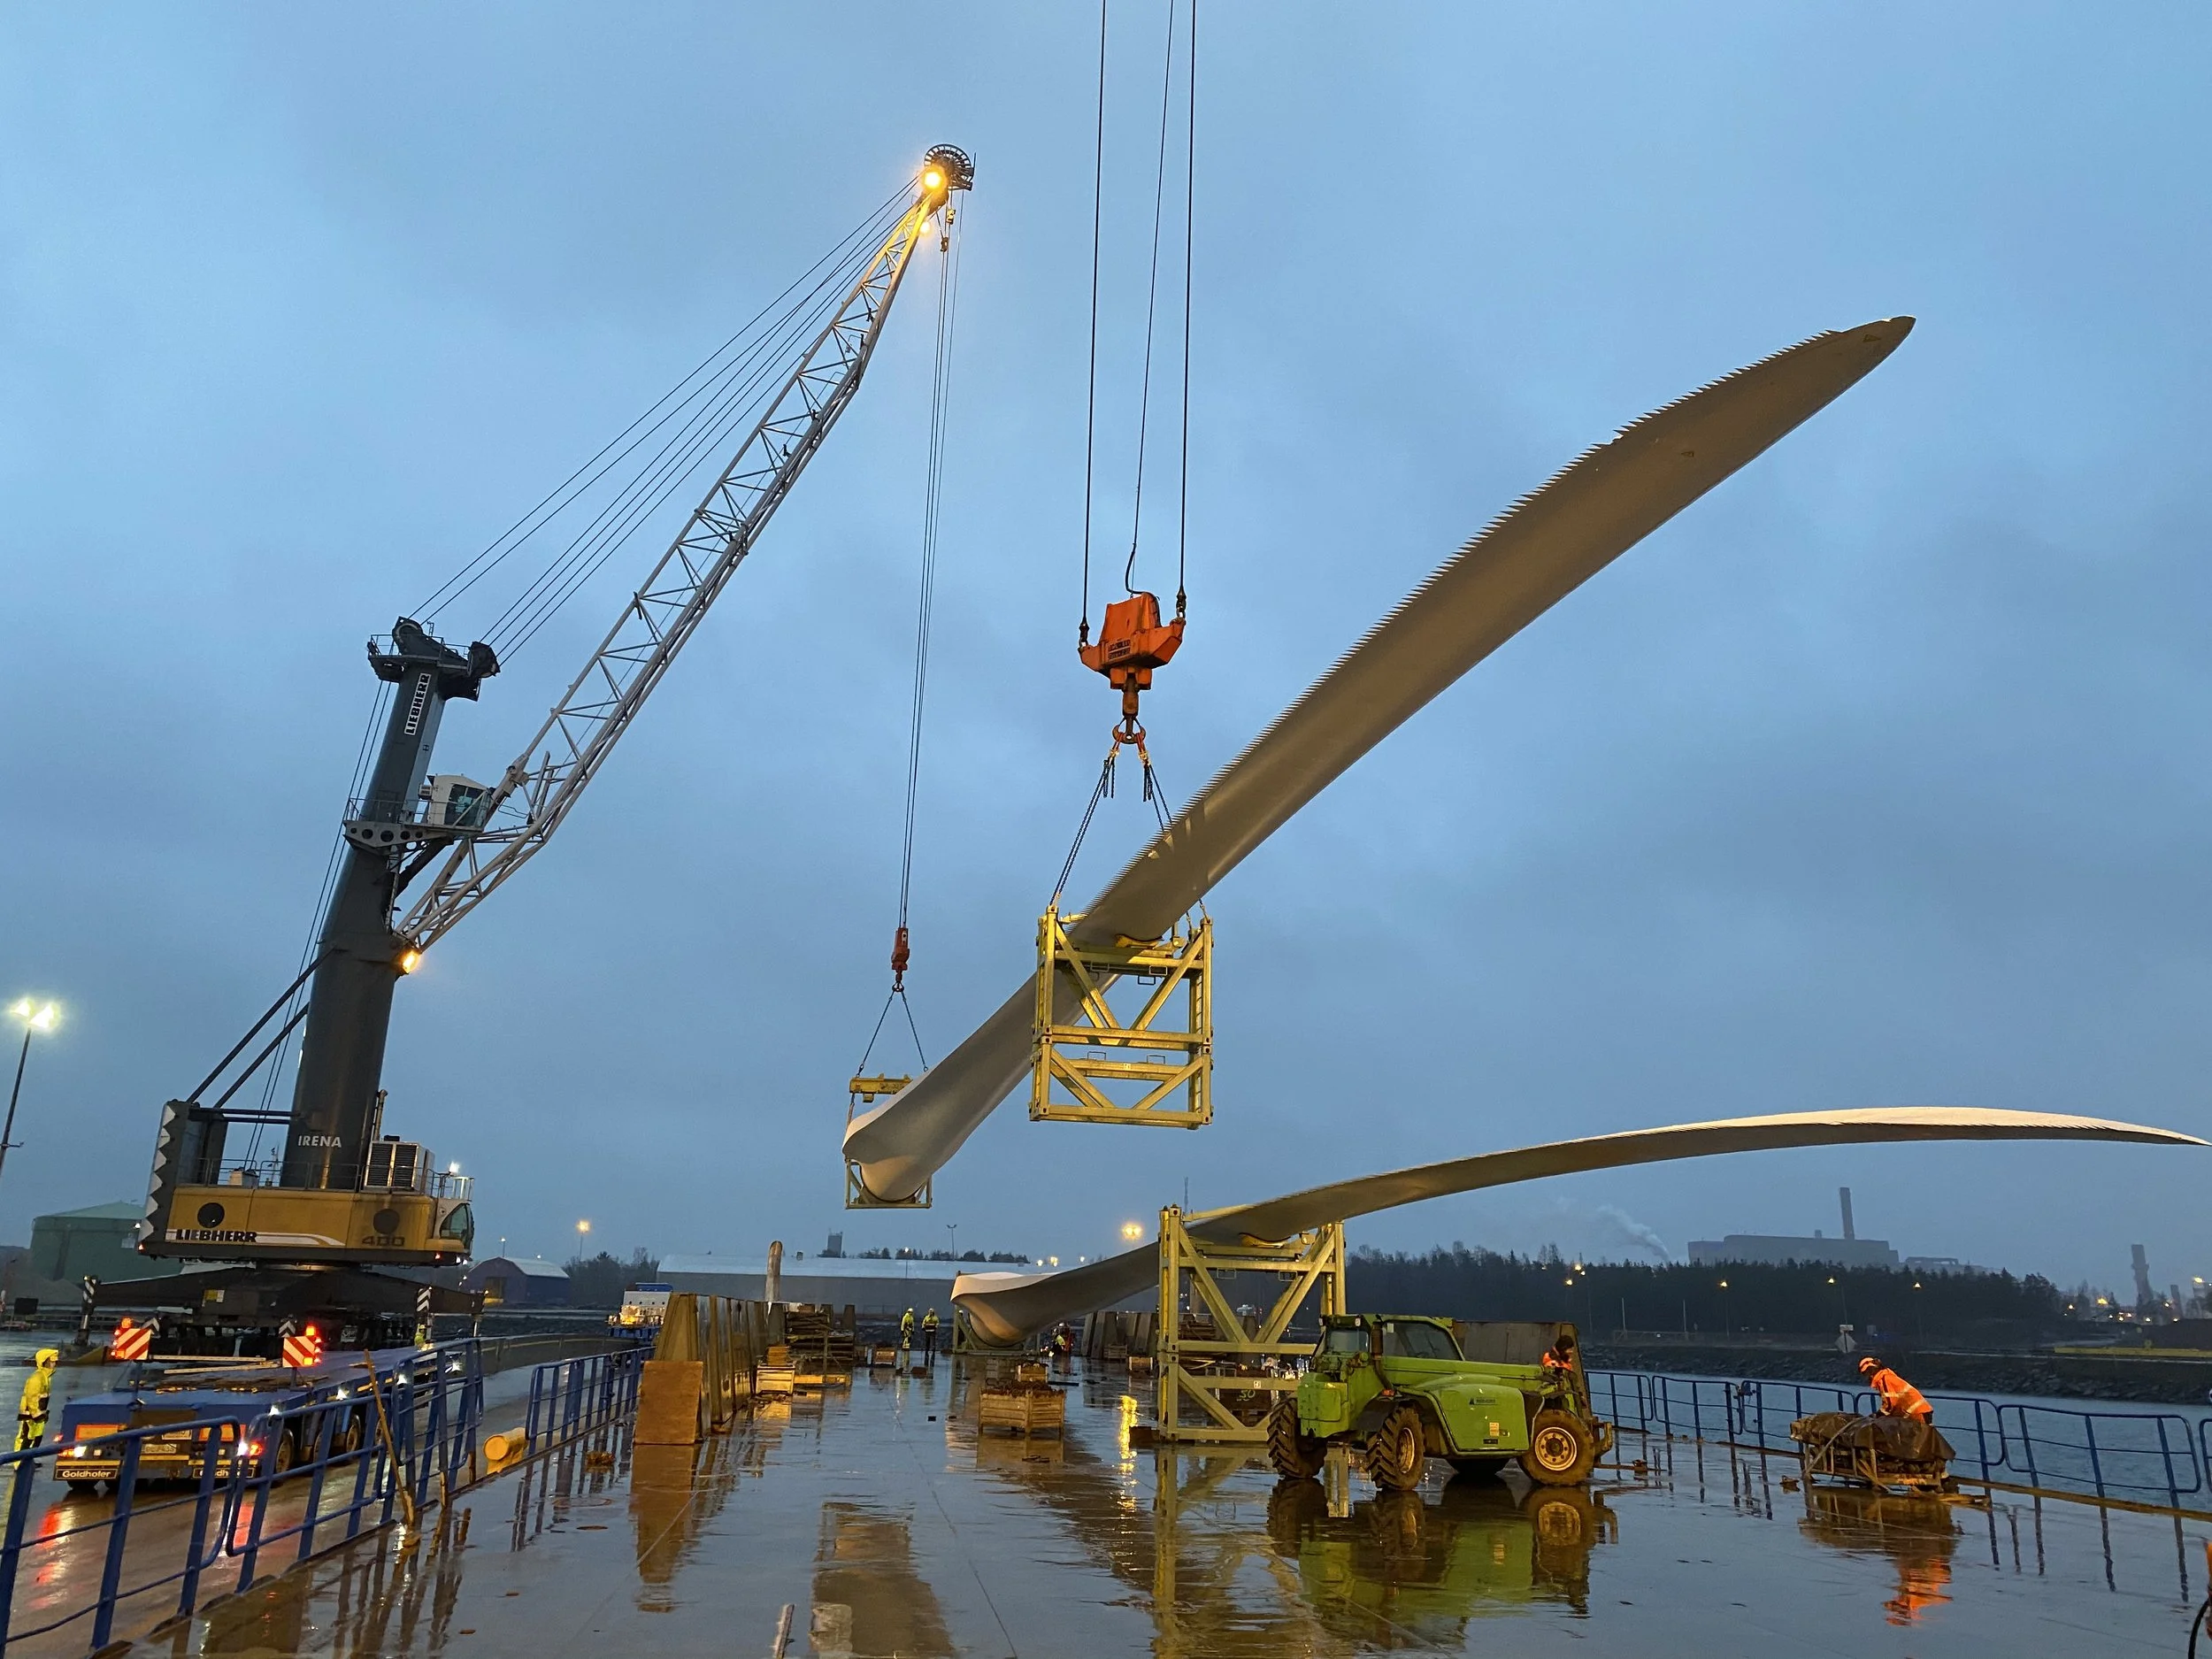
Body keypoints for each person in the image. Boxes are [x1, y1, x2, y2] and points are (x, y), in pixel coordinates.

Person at [1859, 1355, 1933, 1424]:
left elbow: (1890, 1405)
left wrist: (1877, 1415)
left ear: (1873, 1369)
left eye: (1867, 1372)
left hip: (1917, 1413)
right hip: (1919, 1412)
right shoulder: (1885, 1377)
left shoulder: (1884, 1379)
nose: (1868, 1376)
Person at [17, 1348, 57, 1450]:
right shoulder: (37, 1378)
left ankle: (29, 1461)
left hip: (39, 1416)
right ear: (44, 1362)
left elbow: (42, 1398)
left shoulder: (46, 1377)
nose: (54, 1363)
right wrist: (36, 1415)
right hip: (31, 1416)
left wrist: (43, 1414)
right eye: (52, 1361)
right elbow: (32, 1398)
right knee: (26, 1439)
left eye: (55, 1361)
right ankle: (20, 1463)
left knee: (36, 1439)